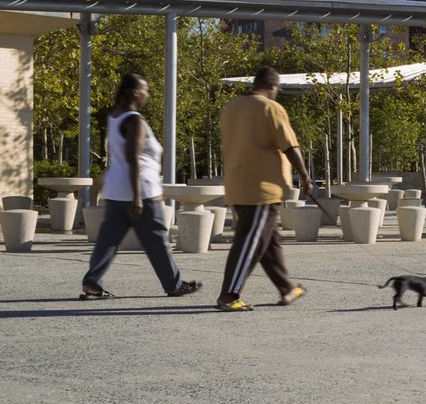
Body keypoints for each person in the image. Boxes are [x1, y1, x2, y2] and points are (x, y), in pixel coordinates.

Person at [79, 73, 203, 300]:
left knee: (108, 240)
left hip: (115, 190)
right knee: (156, 240)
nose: (147, 94)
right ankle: (174, 285)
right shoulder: (135, 120)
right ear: (136, 93)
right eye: (145, 90)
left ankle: (92, 282)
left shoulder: (115, 116)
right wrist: (137, 196)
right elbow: (133, 158)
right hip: (141, 191)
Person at [215, 66, 314, 312]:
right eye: (277, 89)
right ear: (272, 86)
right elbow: (290, 146)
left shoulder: (231, 107)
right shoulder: (271, 108)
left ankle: (286, 288)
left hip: (238, 185)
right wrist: (305, 176)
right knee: (250, 241)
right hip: (262, 189)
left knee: (269, 244)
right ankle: (228, 295)